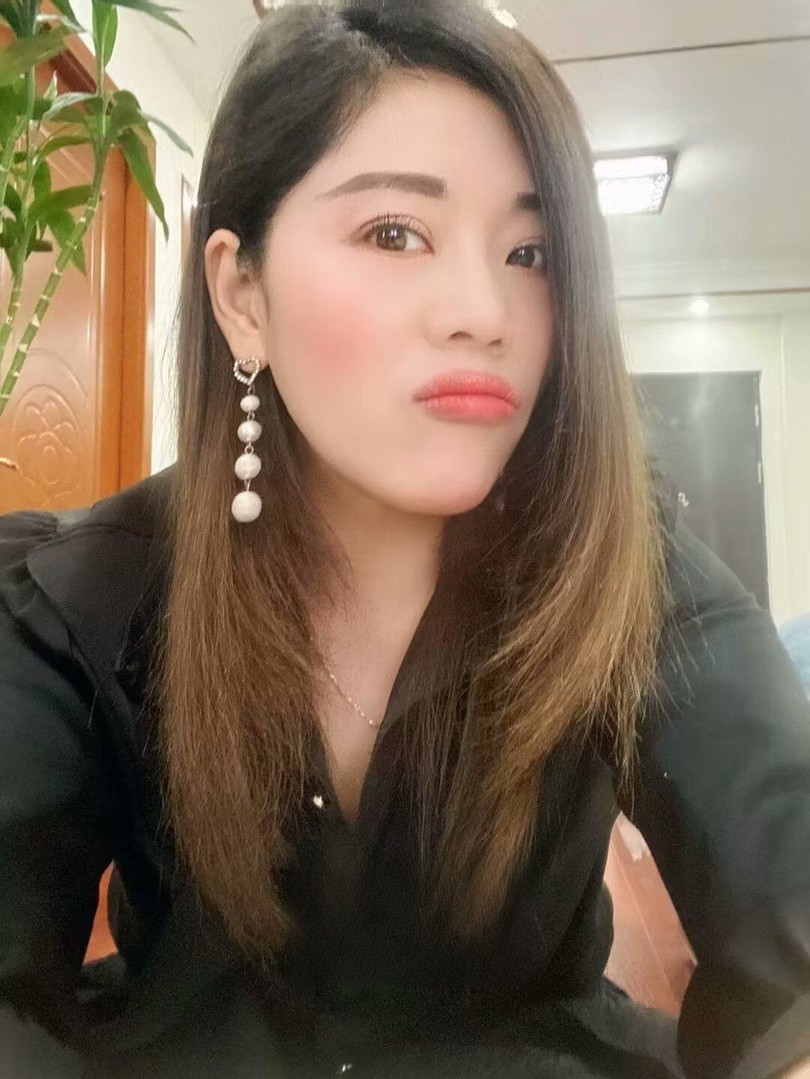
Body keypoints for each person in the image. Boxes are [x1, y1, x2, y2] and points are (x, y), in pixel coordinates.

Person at [1, 1, 808, 1076]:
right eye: (395, 233)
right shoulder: (78, 599)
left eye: (530, 251)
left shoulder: (627, 576)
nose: (486, 311)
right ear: (241, 292)